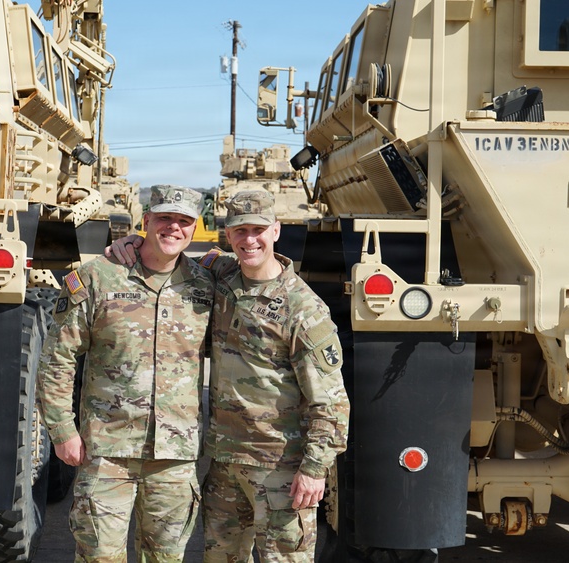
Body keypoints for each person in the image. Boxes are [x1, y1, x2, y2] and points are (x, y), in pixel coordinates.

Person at [109, 189, 350, 562]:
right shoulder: (220, 275)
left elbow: (331, 401)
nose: (248, 240)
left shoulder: (303, 309)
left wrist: (315, 469)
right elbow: (168, 254)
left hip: (279, 470)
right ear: (227, 234)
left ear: (276, 230)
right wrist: (133, 242)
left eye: (257, 229)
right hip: (224, 466)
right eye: (239, 230)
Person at [37, 185, 214, 562]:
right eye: (164, 218)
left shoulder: (206, 285)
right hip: (107, 451)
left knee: (165, 558)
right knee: (99, 556)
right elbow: (58, 357)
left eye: (184, 221)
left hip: (174, 457)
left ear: (194, 228)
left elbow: (255, 265)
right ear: (146, 220)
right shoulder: (97, 277)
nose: (174, 228)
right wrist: (62, 430)